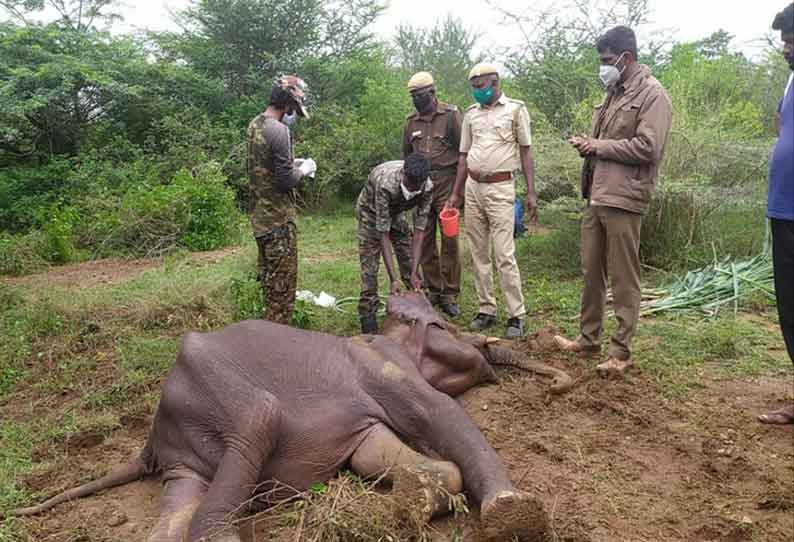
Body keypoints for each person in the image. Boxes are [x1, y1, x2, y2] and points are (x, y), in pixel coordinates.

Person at [552, 26, 672, 376]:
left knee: (623, 277)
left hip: (625, 198)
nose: (603, 66)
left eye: (607, 60)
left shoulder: (653, 95)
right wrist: (588, 145)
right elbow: (606, 141)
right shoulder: (613, 92)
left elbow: (649, 147)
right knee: (591, 270)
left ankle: (621, 352)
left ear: (626, 58)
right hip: (598, 196)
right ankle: (588, 340)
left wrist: (599, 146)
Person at [445, 63, 538, 339]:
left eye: (481, 86)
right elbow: (463, 156)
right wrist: (455, 193)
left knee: (504, 253)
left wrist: (531, 193)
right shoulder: (471, 115)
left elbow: (526, 151)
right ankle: (486, 309)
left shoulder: (516, 110)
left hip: (501, 188)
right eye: (473, 87)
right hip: (473, 187)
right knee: (478, 252)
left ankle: (516, 315)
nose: (477, 91)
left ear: (495, 83)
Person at [247, 75, 317, 325]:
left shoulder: (255, 124)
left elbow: (265, 166)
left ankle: (266, 334)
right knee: (282, 294)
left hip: (260, 220)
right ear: (287, 104)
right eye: (294, 109)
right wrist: (305, 169)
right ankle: (276, 349)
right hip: (278, 223)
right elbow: (286, 180)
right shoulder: (280, 131)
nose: (294, 114)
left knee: (269, 287)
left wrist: (290, 163)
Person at [758, 2, 794, 425]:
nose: (786, 46)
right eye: (784, 39)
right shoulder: (789, 80)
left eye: (791, 37)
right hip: (783, 211)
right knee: (790, 309)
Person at [403, 71, 464, 318]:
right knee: (425, 236)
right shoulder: (410, 122)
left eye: (420, 95)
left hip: (447, 183)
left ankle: (449, 293)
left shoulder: (451, 116)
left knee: (449, 239)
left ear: (432, 92)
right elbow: (406, 155)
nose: (417, 99)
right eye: (413, 96)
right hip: (422, 185)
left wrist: (457, 192)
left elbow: (464, 155)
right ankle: (433, 288)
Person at [356, 153, 432, 334]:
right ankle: (367, 313)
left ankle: (419, 308)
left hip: (397, 213)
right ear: (403, 175)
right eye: (409, 186)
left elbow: (420, 232)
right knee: (370, 267)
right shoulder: (386, 184)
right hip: (370, 213)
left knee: (408, 258)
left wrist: (413, 272)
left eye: (416, 187)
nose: (413, 190)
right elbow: (383, 234)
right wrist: (393, 279)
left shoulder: (427, 187)